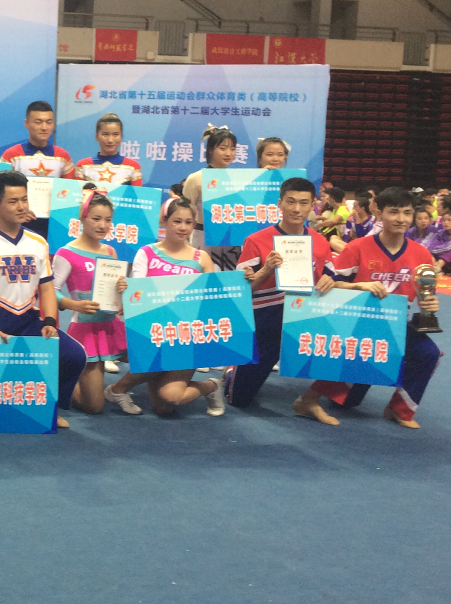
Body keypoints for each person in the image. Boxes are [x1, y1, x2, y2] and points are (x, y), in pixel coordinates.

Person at [293, 187, 442, 429]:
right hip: (356, 323)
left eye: (407, 213)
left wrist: (430, 304)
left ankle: (398, 409)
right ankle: (307, 400)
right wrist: (358, 285)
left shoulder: (421, 254)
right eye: (394, 212)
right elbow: (328, 285)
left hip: (395, 325)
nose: (401, 219)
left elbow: (425, 294)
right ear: (379, 213)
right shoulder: (357, 247)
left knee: (428, 353)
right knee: (348, 399)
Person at [0, 170, 89, 429]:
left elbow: (46, 288)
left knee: (74, 355)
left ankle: (49, 406)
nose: (21, 206)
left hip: (28, 321)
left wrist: (50, 321)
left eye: (24, 199)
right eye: (13, 201)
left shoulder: (38, 242)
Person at [102, 197, 227, 417]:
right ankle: (122, 387)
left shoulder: (202, 258)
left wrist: (243, 281)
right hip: (154, 333)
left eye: (188, 222)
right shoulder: (147, 252)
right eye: (177, 221)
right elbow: (138, 292)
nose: (183, 227)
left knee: (170, 400)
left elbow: (213, 299)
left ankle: (211, 386)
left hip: (186, 338)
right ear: (164, 221)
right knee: (162, 408)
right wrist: (126, 288)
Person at [224, 177, 336, 409]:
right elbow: (240, 292)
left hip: (304, 320)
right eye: (290, 202)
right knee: (238, 399)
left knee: (348, 351)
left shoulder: (320, 242)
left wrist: (330, 280)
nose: (297, 209)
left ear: (312, 205)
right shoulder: (256, 240)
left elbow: (331, 277)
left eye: (303, 203)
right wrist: (265, 270)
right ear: (279, 203)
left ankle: (311, 398)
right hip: (266, 321)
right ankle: (233, 369)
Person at [54, 189, 128, 415]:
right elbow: (50, 291)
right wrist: (74, 305)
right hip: (85, 330)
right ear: (83, 218)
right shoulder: (66, 253)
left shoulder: (110, 251)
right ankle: (59, 382)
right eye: (96, 218)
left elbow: (116, 293)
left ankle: (120, 389)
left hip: (111, 326)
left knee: (148, 354)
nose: (102, 225)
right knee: (94, 407)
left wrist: (123, 289)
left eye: (108, 220)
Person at [0, 100, 73, 238]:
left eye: (49, 122)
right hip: (17, 226)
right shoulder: (10, 156)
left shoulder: (63, 157)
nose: (44, 127)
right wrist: (19, 210)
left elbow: (70, 194)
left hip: (53, 227)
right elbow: (0, 193)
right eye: (38, 122)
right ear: (26, 124)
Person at [181, 124, 239, 272]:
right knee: (203, 280)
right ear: (211, 150)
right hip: (204, 237)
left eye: (232, 149)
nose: (228, 153)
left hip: (231, 239)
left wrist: (268, 174)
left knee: (229, 280)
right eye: (223, 148)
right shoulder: (196, 178)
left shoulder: (239, 179)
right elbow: (184, 213)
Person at [73, 113, 143, 186]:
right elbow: (77, 192)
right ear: (96, 136)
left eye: (115, 134)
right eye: (105, 134)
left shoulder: (133, 167)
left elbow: (137, 193)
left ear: (121, 137)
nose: (110, 140)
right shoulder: (83, 166)